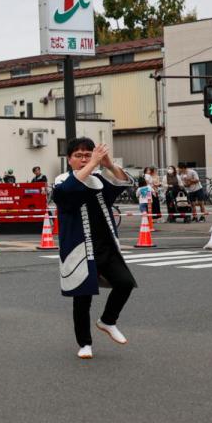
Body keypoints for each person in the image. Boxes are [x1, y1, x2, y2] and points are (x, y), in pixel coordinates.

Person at [51, 138, 135, 360]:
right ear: (69, 160)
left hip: (105, 245)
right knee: (82, 298)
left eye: (88, 154)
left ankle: (108, 320)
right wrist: (92, 164)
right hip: (78, 248)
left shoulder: (98, 180)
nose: (84, 159)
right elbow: (65, 193)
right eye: (78, 155)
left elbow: (125, 183)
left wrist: (108, 164)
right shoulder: (62, 181)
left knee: (125, 283)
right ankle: (85, 343)